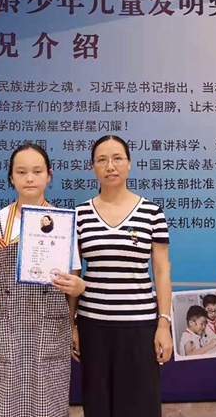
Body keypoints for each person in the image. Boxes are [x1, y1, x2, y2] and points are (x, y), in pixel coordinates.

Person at [0, 143, 85, 417]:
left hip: (50, 323)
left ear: (49, 175)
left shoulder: (63, 222)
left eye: (37, 171)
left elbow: (74, 281)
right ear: (11, 177)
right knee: (5, 401)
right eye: (21, 172)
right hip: (7, 323)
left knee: (49, 401)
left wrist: (72, 323)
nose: (29, 178)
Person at [73, 135, 172, 417]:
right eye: (102, 160)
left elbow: (162, 270)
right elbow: (74, 272)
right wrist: (71, 325)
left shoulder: (152, 213)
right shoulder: (80, 215)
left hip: (139, 326)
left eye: (117, 158)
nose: (110, 166)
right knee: (98, 407)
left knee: (140, 406)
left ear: (129, 163)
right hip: (93, 326)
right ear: (93, 167)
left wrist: (163, 324)